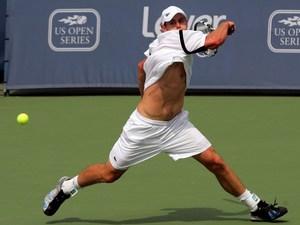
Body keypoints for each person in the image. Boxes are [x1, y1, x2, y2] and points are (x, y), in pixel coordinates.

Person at [42, 6, 287, 221]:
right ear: (164, 26)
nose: (179, 25)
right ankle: (65, 187)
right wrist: (225, 25)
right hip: (144, 127)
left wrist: (145, 92)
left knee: (216, 162)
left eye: (182, 21)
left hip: (176, 125)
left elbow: (141, 67)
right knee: (109, 174)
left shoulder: (157, 46)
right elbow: (213, 41)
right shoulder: (176, 38)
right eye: (173, 22)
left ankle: (256, 206)